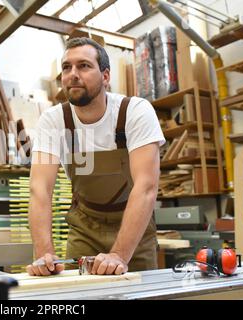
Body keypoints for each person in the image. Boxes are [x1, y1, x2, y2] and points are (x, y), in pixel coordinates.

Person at [26, 37, 165, 276]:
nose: (73, 74)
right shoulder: (54, 120)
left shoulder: (134, 111)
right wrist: (44, 254)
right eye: (67, 67)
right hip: (84, 228)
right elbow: (40, 189)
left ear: (106, 76)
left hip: (133, 230)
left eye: (84, 66)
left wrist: (120, 254)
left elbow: (146, 187)